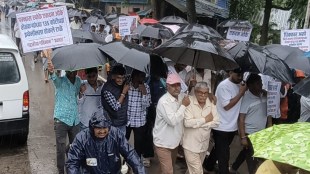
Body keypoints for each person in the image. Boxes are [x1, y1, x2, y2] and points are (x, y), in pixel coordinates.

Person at [66, 109, 146, 174]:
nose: (102, 131)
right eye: (98, 128)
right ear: (92, 127)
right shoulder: (82, 138)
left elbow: (130, 153)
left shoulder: (116, 134)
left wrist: (140, 171)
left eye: (105, 128)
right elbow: (72, 162)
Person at [203, 68, 247, 174]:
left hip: (231, 126)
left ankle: (208, 165)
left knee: (219, 148)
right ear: (230, 73)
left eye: (242, 74)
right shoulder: (224, 86)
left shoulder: (241, 85)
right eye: (238, 75)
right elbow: (227, 106)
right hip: (221, 126)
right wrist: (241, 93)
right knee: (224, 156)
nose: (240, 77)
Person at [230, 74, 272, 174]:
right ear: (251, 86)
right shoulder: (246, 99)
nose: (261, 85)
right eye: (258, 83)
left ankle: (233, 168)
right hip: (250, 134)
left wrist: (269, 125)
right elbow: (241, 119)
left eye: (261, 82)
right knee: (252, 160)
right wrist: (243, 137)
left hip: (261, 132)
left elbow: (269, 111)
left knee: (246, 152)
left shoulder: (264, 95)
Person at [47, 60, 81, 174]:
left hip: (75, 120)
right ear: (66, 71)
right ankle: (61, 170)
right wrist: (51, 71)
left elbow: (80, 90)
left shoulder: (78, 81)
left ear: (77, 71)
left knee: (75, 147)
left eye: (74, 70)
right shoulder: (60, 81)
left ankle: (74, 168)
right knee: (60, 149)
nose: (72, 73)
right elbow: (54, 78)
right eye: (69, 71)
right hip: (61, 119)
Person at [153, 73, 190, 174]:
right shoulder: (164, 101)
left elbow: (193, 98)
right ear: (167, 86)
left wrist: (194, 86)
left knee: (166, 168)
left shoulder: (182, 96)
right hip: (163, 143)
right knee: (168, 171)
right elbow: (173, 121)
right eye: (173, 85)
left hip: (174, 142)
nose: (176, 88)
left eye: (178, 85)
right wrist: (183, 106)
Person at [182, 82, 219, 174]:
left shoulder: (211, 102)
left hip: (203, 145)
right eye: (200, 92)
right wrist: (206, 119)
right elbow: (187, 123)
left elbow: (217, 122)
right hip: (190, 145)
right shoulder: (188, 102)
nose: (203, 95)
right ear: (195, 91)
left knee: (192, 171)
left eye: (205, 93)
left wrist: (198, 123)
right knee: (198, 172)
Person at [125, 70, 151, 159]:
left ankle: (136, 165)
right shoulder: (127, 86)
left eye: (143, 77)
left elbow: (146, 105)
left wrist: (144, 93)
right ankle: (123, 163)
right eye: (140, 76)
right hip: (127, 120)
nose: (142, 79)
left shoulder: (146, 87)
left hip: (139, 121)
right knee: (123, 143)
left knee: (138, 147)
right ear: (134, 76)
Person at [101, 65, 129, 135]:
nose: (121, 80)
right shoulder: (107, 89)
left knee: (122, 144)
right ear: (113, 76)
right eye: (119, 78)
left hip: (123, 122)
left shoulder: (124, 84)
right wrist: (123, 93)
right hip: (112, 124)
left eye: (123, 78)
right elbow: (116, 107)